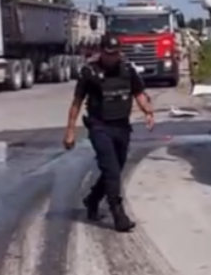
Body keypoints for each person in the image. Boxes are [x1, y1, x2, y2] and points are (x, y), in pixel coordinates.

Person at [63, 34, 156, 232]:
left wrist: (148, 111)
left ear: (119, 52)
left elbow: (138, 93)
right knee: (111, 169)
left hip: (122, 127)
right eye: (107, 53)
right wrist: (70, 132)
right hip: (99, 126)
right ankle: (118, 214)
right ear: (101, 51)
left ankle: (93, 199)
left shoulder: (128, 70)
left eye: (115, 53)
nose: (111, 57)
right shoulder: (89, 72)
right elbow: (77, 103)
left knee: (114, 169)